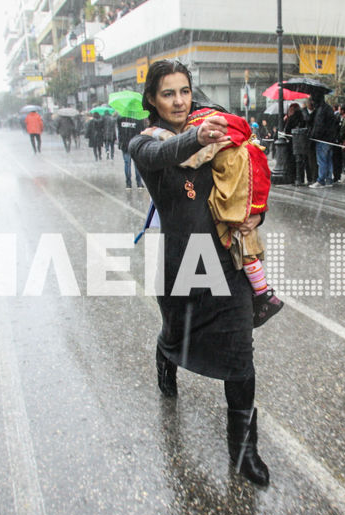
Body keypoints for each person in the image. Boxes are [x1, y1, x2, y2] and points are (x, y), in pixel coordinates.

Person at [129, 59, 270, 486]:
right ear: (152, 99)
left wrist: (255, 217)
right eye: (168, 93)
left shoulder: (214, 130)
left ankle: (244, 450)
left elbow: (247, 177)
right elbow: (164, 153)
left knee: (239, 356)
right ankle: (165, 354)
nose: (178, 100)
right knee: (176, 334)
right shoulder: (144, 143)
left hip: (227, 259)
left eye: (185, 91)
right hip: (182, 264)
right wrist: (196, 136)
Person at [142, 107, 284, 327]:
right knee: (245, 242)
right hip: (230, 216)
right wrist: (257, 212)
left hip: (219, 225)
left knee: (239, 240)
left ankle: (263, 294)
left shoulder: (218, 142)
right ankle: (263, 292)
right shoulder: (243, 144)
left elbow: (189, 158)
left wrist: (157, 135)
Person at [308, 93, 338, 188]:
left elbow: (318, 126)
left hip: (322, 138)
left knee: (322, 160)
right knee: (328, 160)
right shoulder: (328, 108)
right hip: (329, 138)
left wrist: (313, 136)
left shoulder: (320, 110)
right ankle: (329, 179)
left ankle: (321, 180)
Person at [116, 114, 145, 187]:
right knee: (137, 165)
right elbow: (142, 131)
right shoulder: (138, 119)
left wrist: (120, 142)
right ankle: (139, 183)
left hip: (125, 144)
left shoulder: (120, 119)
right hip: (135, 144)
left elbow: (119, 132)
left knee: (127, 164)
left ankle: (128, 184)